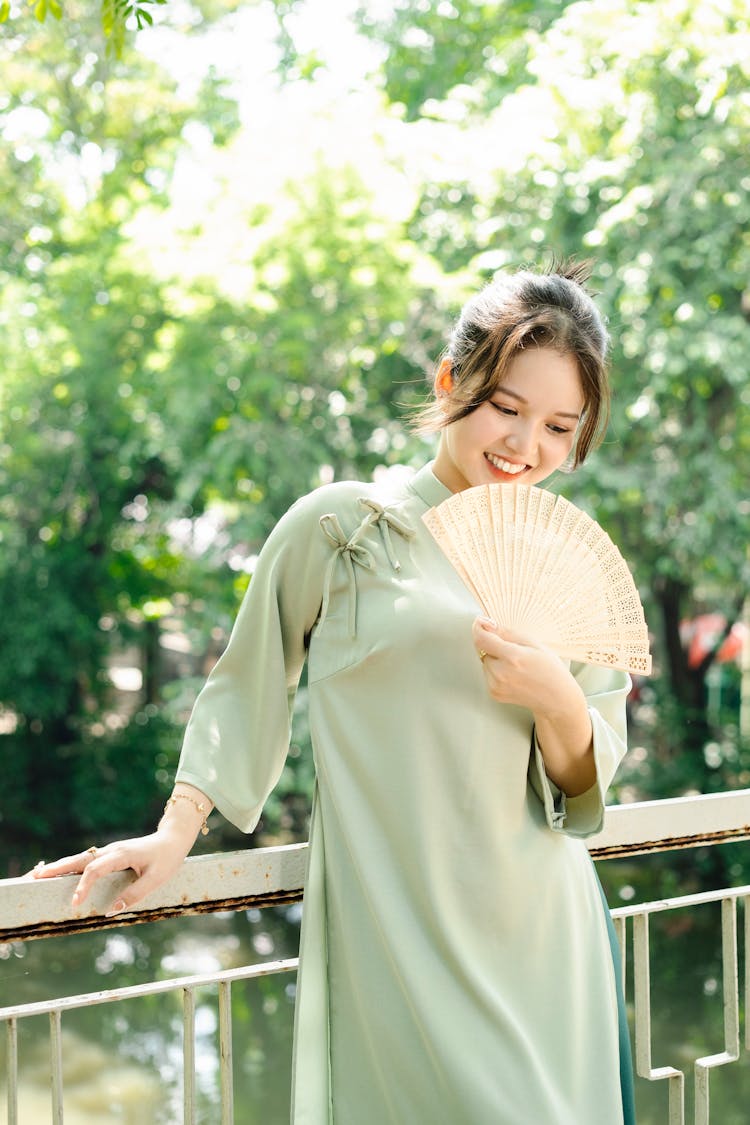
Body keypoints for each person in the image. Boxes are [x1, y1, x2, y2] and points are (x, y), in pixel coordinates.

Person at [35, 261, 636, 1124]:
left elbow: (586, 786)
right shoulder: (344, 527)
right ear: (450, 380)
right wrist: (178, 829)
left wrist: (557, 699)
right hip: (398, 929)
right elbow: (249, 679)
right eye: (507, 407)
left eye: (558, 426)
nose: (525, 445)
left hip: (541, 927)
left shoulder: (566, 560)